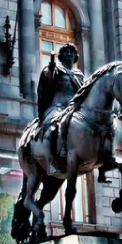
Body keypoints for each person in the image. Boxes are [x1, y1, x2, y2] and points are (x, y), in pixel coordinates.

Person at [36, 43, 84, 175]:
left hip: (74, 109)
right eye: (66, 52)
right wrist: (51, 69)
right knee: (51, 127)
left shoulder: (79, 75)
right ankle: (51, 162)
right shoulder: (55, 69)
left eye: (71, 52)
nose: (69, 54)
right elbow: (48, 80)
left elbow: (84, 93)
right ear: (61, 56)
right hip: (57, 106)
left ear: (75, 56)